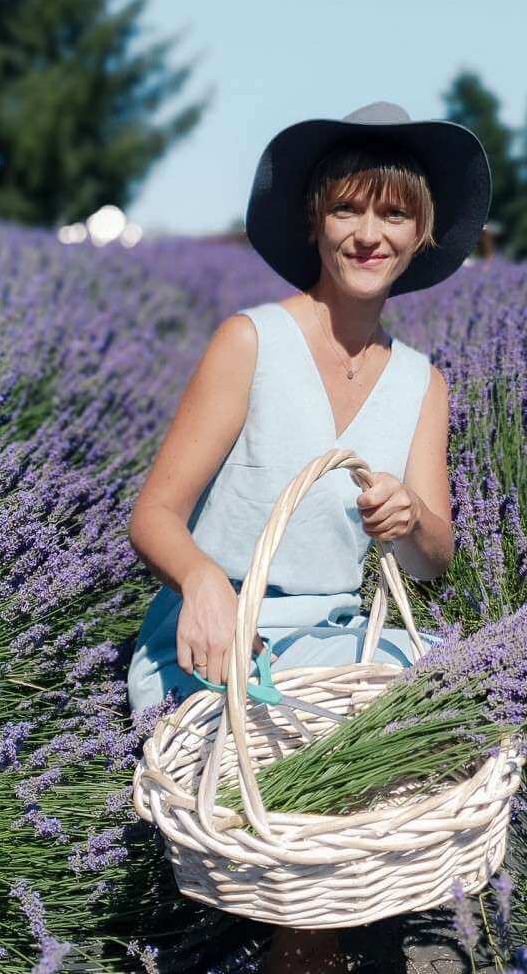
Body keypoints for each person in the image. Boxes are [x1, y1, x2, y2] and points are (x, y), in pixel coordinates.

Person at [126, 100, 492, 973]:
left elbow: (432, 560)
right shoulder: (250, 341)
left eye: (394, 213)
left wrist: (410, 519)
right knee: (308, 748)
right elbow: (153, 516)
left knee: (457, 715)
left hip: (343, 639)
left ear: (423, 233)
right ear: (316, 222)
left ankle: (343, 919)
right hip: (222, 634)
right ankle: (309, 946)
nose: (369, 234)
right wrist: (203, 581)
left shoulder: (421, 383)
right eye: (348, 210)